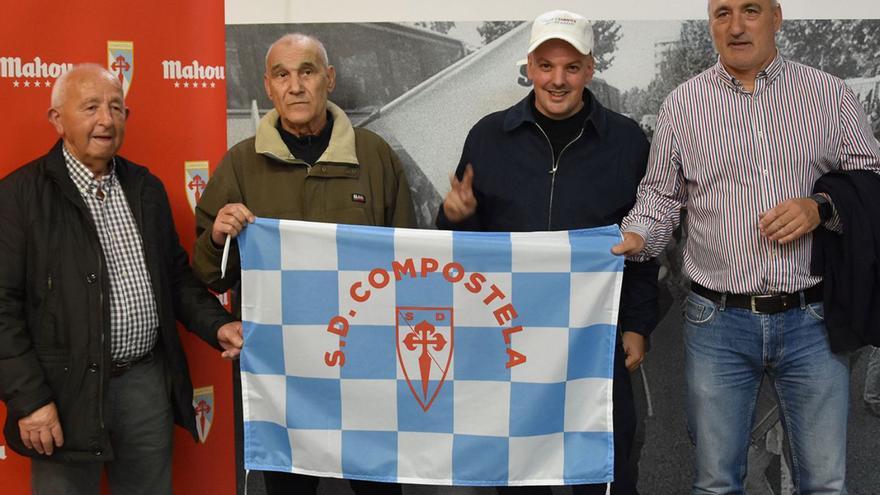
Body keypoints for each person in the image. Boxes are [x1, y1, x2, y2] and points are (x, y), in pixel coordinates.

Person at [612, 0, 880, 492]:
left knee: (824, 482)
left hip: (812, 322)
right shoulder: (681, 104)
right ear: (710, 23)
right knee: (717, 482)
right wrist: (637, 237)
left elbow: (873, 180)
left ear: (776, 17)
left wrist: (821, 205)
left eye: (750, 10)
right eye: (722, 13)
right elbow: (659, 199)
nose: (735, 26)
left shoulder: (828, 94)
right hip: (716, 324)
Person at [436, 10, 660, 495]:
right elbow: (461, 247)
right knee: (517, 472)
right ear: (529, 67)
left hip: (594, 338)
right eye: (546, 66)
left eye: (572, 67)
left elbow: (641, 246)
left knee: (608, 468)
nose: (558, 80)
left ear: (590, 69)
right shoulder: (488, 136)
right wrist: (456, 214)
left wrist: (639, 324)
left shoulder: (626, 141)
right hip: (509, 339)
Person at [0, 64, 242, 495]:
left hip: (144, 386)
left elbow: (176, 280)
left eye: (116, 107)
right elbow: (2, 310)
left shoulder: (145, 187)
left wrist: (217, 324)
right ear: (57, 120)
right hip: (61, 392)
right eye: (90, 107)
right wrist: (30, 400)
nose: (106, 120)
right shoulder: (18, 198)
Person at [192, 33, 415, 495]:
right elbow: (208, 273)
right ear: (269, 88)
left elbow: (408, 265)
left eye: (307, 71)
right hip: (284, 378)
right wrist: (218, 238)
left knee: (381, 487)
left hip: (367, 374)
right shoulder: (239, 165)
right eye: (282, 75)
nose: (295, 86)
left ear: (328, 79)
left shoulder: (375, 157)